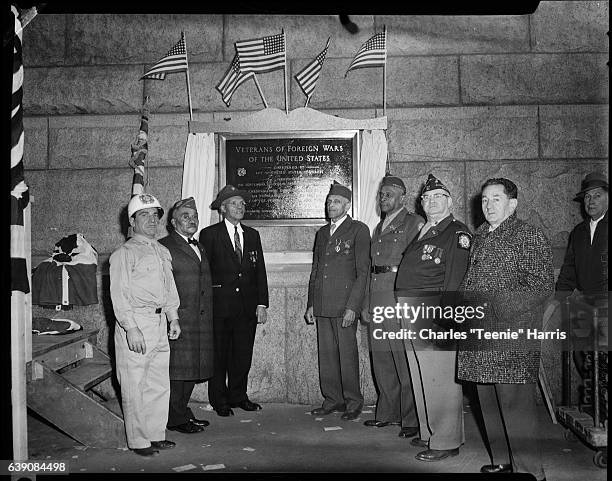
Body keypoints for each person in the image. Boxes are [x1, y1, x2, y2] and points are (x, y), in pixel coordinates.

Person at [457, 178, 553, 481]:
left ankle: (528, 471)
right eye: (485, 200)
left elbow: (541, 286)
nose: (488, 205)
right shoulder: (481, 235)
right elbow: (471, 279)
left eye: (496, 199)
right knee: (487, 399)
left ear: (512, 204)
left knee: (515, 406)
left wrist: (497, 309)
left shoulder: (528, 234)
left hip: (511, 334)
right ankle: (501, 459)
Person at [394, 174, 471, 462]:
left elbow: (455, 278)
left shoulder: (456, 232)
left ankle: (447, 440)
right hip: (411, 309)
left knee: (440, 376)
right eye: (426, 198)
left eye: (438, 196)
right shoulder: (426, 229)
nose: (431, 201)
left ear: (450, 202)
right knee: (420, 373)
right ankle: (429, 432)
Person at [109, 193, 180, 457]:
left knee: (158, 383)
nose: (152, 220)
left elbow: (169, 288)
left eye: (155, 215)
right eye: (144, 215)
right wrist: (131, 328)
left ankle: (154, 434)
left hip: (160, 322)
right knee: (134, 383)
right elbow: (119, 294)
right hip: (137, 322)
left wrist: (173, 317)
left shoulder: (162, 251)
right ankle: (139, 440)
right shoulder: (123, 254)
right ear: (132, 221)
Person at [361, 175, 423, 438]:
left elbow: (417, 265)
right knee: (382, 357)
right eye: (381, 195)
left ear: (402, 197)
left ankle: (410, 418)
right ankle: (387, 412)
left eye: (388, 194)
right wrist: (366, 302)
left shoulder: (414, 223)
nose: (382, 199)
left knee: (403, 359)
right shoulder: (378, 227)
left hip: (398, 297)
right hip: (377, 297)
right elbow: (370, 270)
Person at [199, 185, 269, 417]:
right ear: (222, 208)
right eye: (233, 203)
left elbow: (260, 272)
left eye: (242, 203)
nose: (239, 207)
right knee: (219, 356)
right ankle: (219, 400)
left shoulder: (252, 235)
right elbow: (204, 273)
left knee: (242, 355)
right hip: (220, 307)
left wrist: (261, 304)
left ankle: (238, 396)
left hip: (246, 308)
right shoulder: (209, 235)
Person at [305, 181, 370, 421]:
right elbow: (316, 270)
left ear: (347, 205)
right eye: (329, 201)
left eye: (336, 202)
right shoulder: (322, 233)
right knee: (327, 355)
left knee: (347, 355)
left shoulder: (358, 230)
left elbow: (363, 271)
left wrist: (353, 306)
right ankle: (333, 400)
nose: (331, 205)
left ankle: (353, 401)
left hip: (345, 305)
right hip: (322, 304)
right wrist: (311, 303)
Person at [159, 197, 214, 434]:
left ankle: (181, 411)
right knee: (177, 372)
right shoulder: (164, 246)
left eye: (194, 216)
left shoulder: (199, 245)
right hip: (179, 319)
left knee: (190, 370)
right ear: (173, 222)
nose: (191, 220)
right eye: (185, 216)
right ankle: (173, 418)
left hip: (200, 320)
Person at [555, 172, 608, 385]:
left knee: (604, 360)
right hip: (586, 304)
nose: (591, 201)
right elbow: (569, 270)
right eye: (587, 197)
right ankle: (596, 405)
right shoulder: (578, 232)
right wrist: (556, 299)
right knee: (582, 356)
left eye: (597, 196)